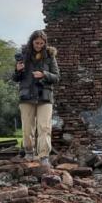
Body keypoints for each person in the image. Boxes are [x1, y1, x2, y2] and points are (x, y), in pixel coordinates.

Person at [13, 30, 60, 168]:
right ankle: (29, 152)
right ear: (31, 41)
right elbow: (15, 78)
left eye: (41, 43)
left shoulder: (50, 57)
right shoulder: (22, 56)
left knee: (44, 127)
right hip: (26, 97)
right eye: (36, 43)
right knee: (27, 128)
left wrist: (44, 74)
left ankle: (44, 156)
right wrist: (18, 70)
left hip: (44, 97)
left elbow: (57, 77)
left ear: (45, 43)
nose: (39, 45)